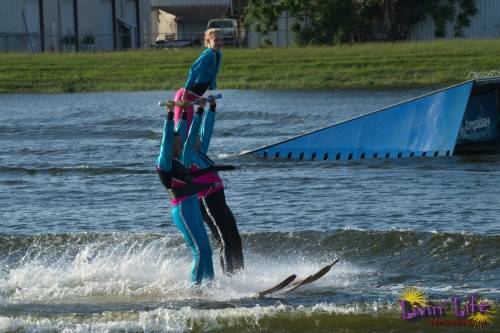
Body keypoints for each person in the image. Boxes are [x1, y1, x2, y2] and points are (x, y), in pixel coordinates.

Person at [176, 99, 244, 274]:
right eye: (196, 137)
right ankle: (230, 279)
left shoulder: (201, 152)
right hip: (206, 201)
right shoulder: (188, 155)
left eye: (199, 137)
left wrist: (212, 108)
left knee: (235, 238)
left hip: (219, 199)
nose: (200, 138)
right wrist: (199, 110)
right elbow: (191, 135)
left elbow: (207, 132)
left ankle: (241, 275)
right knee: (225, 241)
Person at [156, 101, 214, 285]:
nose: (181, 146)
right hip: (182, 210)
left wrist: (199, 111)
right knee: (198, 251)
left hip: (193, 206)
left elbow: (183, 134)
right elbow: (167, 140)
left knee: (207, 250)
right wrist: (169, 115)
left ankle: (211, 286)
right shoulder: (164, 163)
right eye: (177, 144)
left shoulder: (180, 160)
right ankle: (195, 290)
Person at [173, 28, 223, 126]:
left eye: (221, 40)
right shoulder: (208, 54)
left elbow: (209, 77)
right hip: (184, 96)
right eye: (216, 40)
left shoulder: (218, 54)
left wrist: (203, 97)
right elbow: (193, 72)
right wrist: (185, 95)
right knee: (184, 131)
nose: (219, 42)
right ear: (209, 41)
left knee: (192, 129)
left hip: (193, 97)